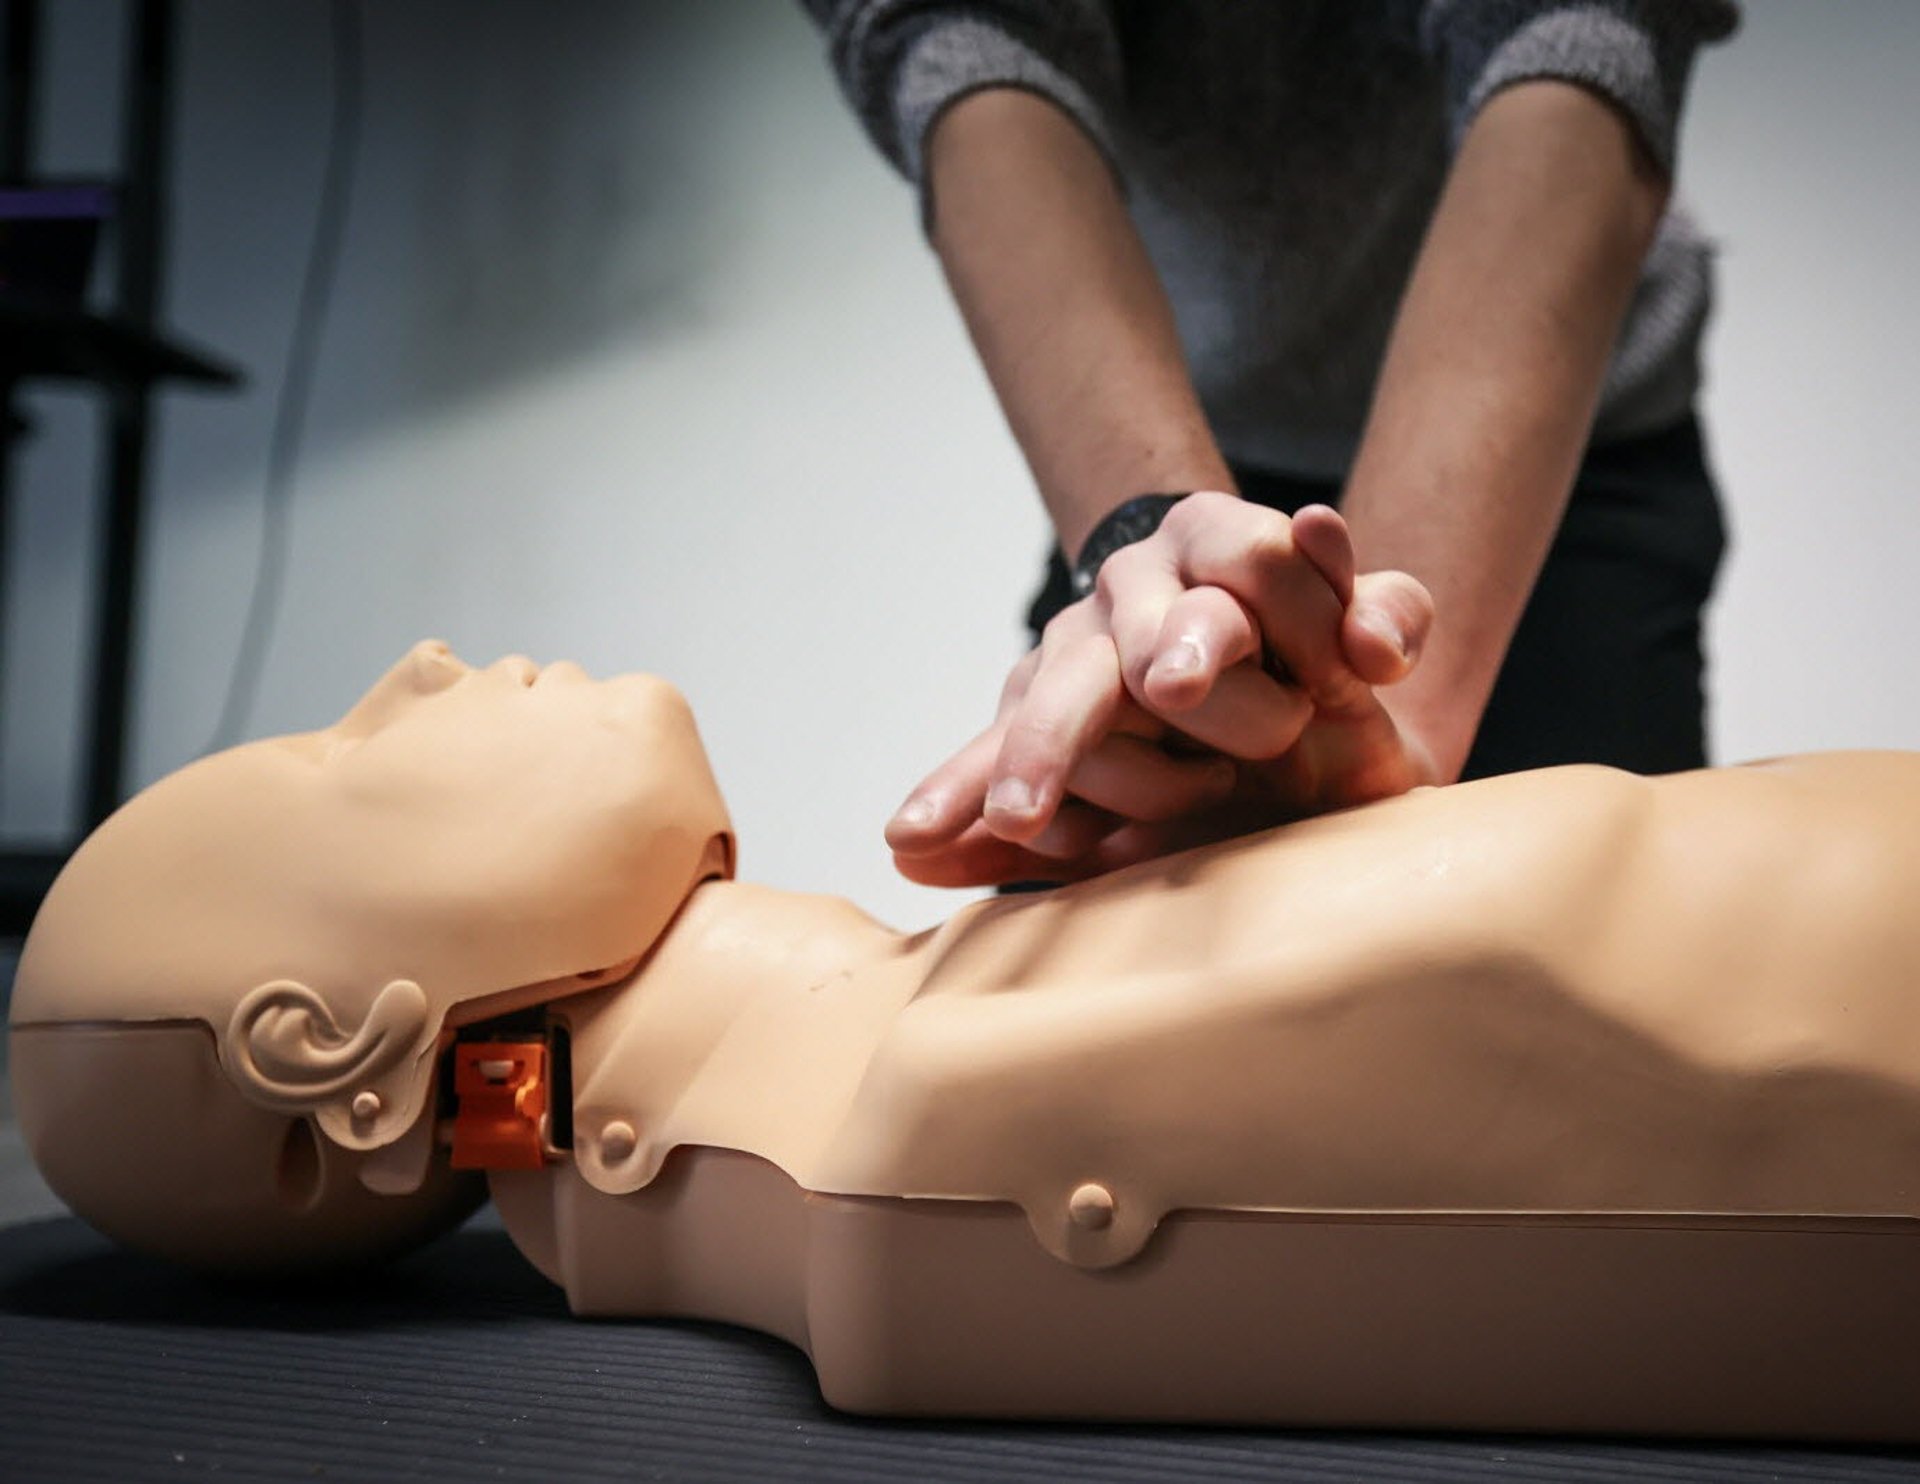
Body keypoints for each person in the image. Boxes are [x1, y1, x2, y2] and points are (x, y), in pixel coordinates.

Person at [10, 644, 1920, 1435]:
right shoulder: (928, 1123)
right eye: (338, 755)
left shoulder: (936, 1028)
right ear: (323, 1051)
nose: (415, 670)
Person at [801, 1, 1739, 888]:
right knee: (1104, 944)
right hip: (1163, 440)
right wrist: (1160, 557)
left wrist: (1378, 707)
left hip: (1554, 453)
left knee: (1598, 973)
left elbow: (1580, 30)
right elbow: (966, 33)